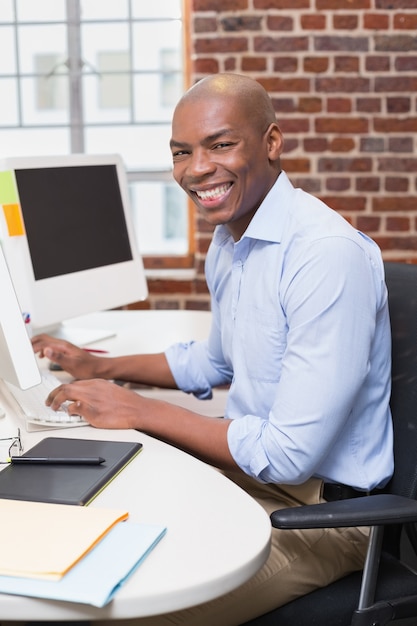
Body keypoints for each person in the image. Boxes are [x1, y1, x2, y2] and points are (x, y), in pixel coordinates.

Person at [32, 73, 393, 626]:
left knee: (131, 612)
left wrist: (140, 410)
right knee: (80, 550)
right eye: (182, 152)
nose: (196, 168)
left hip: (328, 517)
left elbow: (288, 454)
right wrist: (98, 367)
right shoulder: (231, 244)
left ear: (271, 143)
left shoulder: (323, 255)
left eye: (220, 144)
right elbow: (214, 362)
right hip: (252, 484)